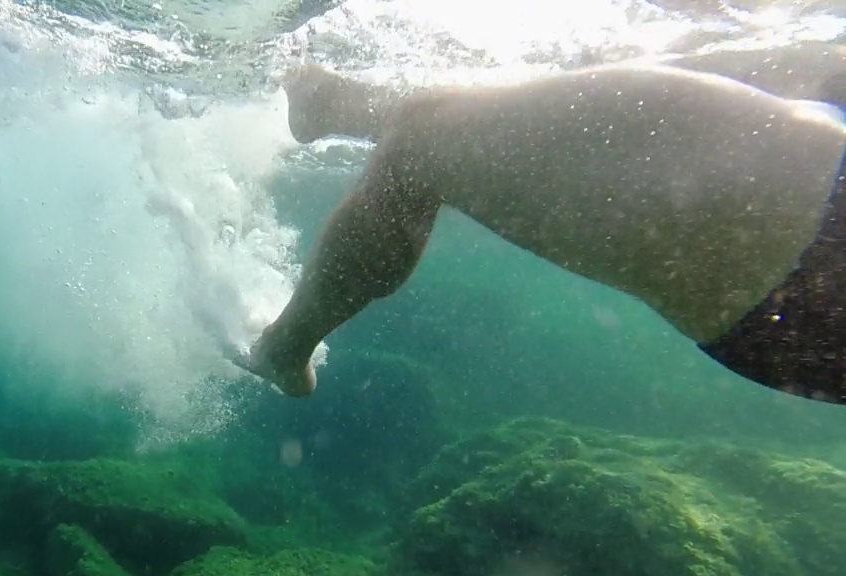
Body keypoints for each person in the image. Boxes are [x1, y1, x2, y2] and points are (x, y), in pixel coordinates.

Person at [237, 45, 846, 405]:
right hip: (806, 281)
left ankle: (282, 349)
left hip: (818, 235)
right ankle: (354, 106)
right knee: (446, 126)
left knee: (424, 142)